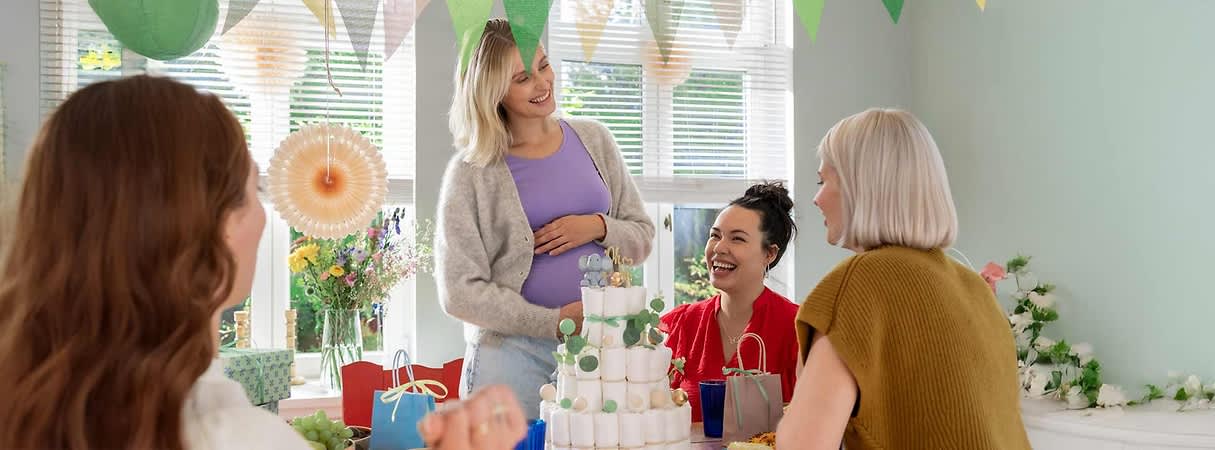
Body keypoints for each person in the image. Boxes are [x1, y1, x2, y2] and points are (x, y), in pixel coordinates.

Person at [0, 75, 524, 450]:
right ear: (214, 227)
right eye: (252, 190)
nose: (265, 218)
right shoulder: (229, 434)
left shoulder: (31, 404)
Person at [438, 18, 656, 420]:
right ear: (493, 91)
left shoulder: (595, 139)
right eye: (523, 77)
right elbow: (459, 292)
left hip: (599, 347)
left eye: (544, 65)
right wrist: (554, 322)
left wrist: (597, 226)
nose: (543, 83)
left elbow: (642, 236)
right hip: (512, 356)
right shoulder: (471, 172)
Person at [776, 109, 1030, 449]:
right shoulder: (975, 289)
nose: (816, 198)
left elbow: (801, 446)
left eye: (825, 181)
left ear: (860, 187)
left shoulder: (859, 282)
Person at [659, 182, 802, 422]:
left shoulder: (798, 329)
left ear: (770, 254)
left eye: (737, 239)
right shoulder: (681, 324)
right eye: (715, 235)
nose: (719, 248)